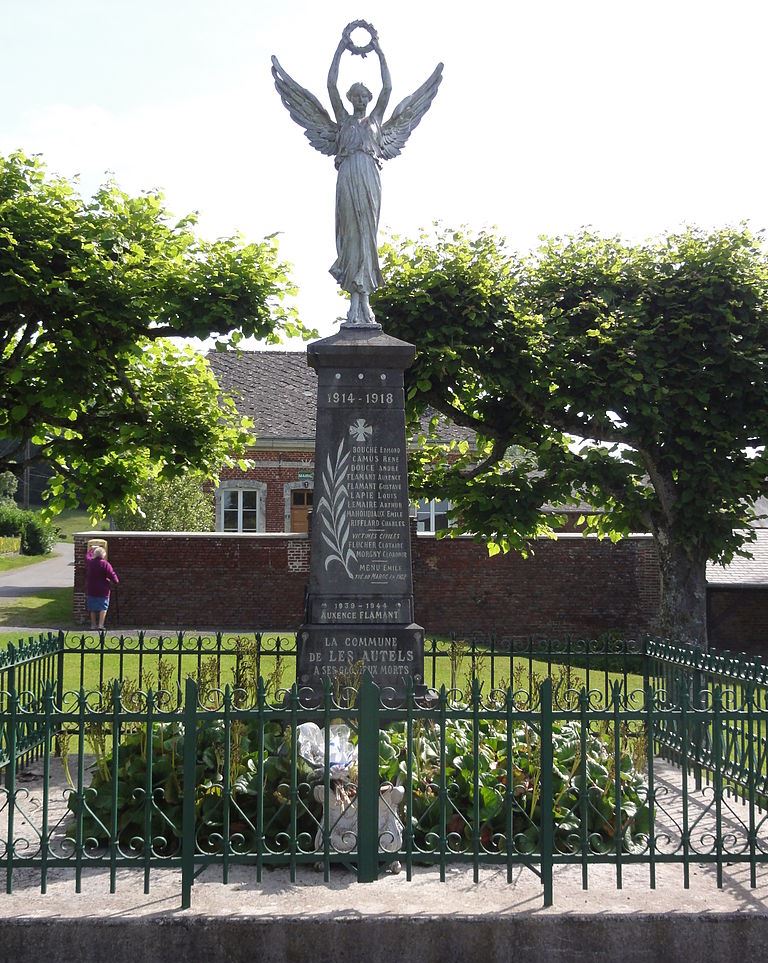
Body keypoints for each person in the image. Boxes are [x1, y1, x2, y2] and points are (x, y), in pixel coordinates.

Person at [271, 21, 443, 326]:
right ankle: (353, 302)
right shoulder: (342, 121)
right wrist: (341, 48)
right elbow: (330, 86)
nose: (362, 101)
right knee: (350, 235)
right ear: (352, 99)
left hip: (369, 176)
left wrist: (378, 51)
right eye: (358, 97)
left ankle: (365, 302)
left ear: (369, 99)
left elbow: (389, 88)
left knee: (368, 237)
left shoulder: (377, 121)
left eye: (365, 97)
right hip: (348, 174)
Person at [85, 545, 119, 630]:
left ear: (95, 554)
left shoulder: (90, 562)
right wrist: (116, 581)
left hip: (91, 588)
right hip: (103, 589)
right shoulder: (105, 564)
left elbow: (87, 557)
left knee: (92, 608)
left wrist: (91, 550)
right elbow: (111, 574)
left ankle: (93, 625)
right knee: (103, 607)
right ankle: (100, 625)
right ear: (103, 555)